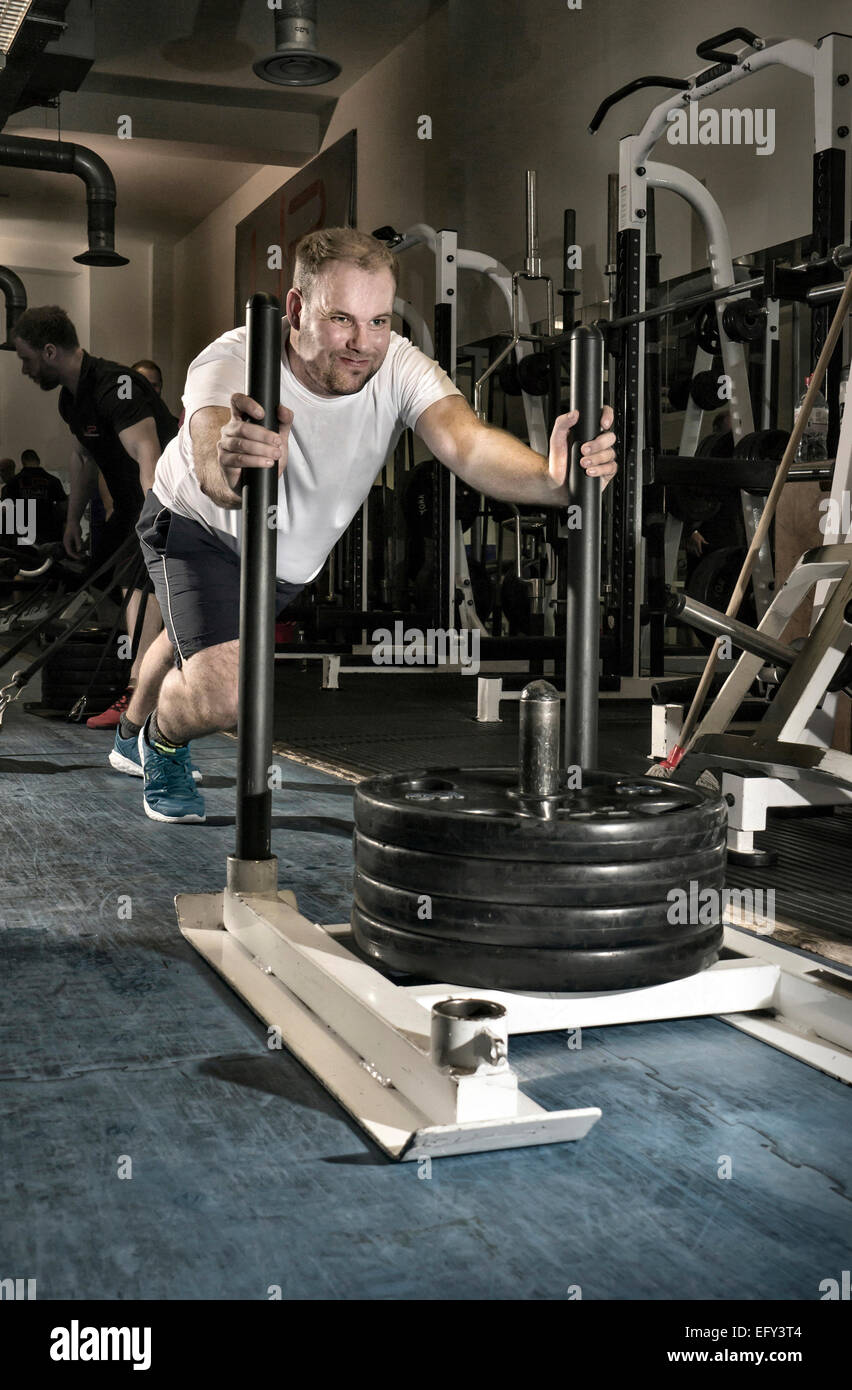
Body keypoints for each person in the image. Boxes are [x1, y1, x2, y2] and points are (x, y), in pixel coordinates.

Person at [125, 227, 616, 823]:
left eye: (379, 321)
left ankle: (128, 729)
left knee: (193, 635)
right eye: (341, 319)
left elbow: (468, 444)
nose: (362, 343)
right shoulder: (234, 357)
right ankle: (161, 742)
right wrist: (234, 462)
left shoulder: (399, 365)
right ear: (298, 308)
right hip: (200, 526)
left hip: (288, 559)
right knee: (227, 693)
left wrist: (553, 479)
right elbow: (211, 465)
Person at [12, 308, 180, 728]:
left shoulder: (114, 386)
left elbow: (148, 453)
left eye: (26, 358)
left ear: (50, 351)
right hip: (130, 508)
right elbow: (84, 459)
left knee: (141, 586)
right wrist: (73, 520)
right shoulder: (71, 398)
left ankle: (141, 692)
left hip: (162, 499)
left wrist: (155, 519)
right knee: (110, 582)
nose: (24, 369)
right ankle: (145, 675)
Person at [0, 448, 66, 543]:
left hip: (22, 537)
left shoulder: (12, 483)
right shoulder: (53, 481)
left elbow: (6, 513)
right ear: (38, 461)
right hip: (49, 534)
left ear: (23, 462)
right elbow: (63, 508)